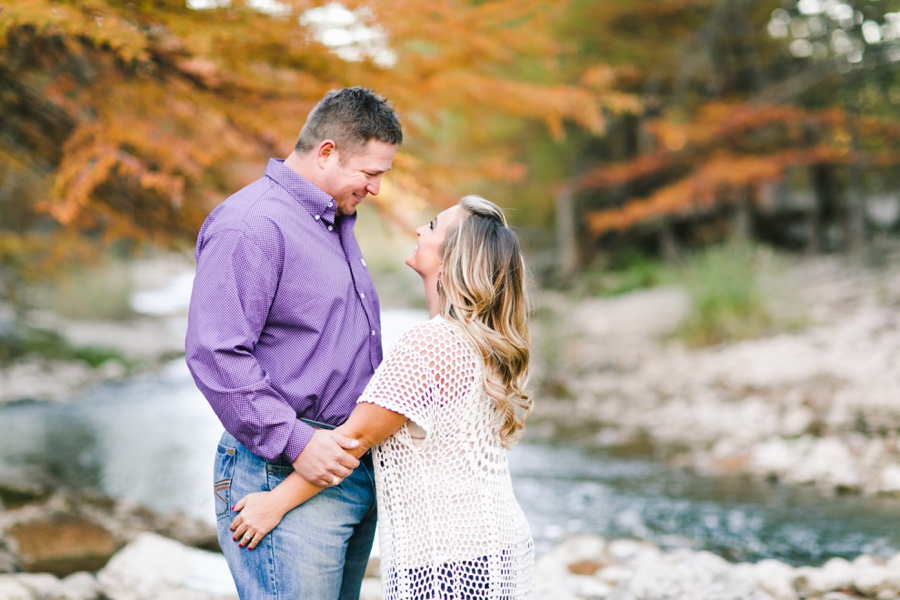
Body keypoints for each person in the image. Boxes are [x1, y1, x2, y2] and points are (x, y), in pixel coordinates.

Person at [229, 195, 536, 599]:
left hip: (450, 564)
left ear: (450, 259)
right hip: (497, 547)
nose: (418, 231)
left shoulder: (431, 344)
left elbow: (353, 441)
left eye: (431, 226)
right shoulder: (481, 344)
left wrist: (274, 504)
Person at [184, 87, 403, 599]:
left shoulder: (333, 221)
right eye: (369, 173)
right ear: (326, 152)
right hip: (279, 469)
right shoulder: (252, 224)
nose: (375, 188)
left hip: (343, 465)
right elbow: (214, 352)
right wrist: (299, 444)